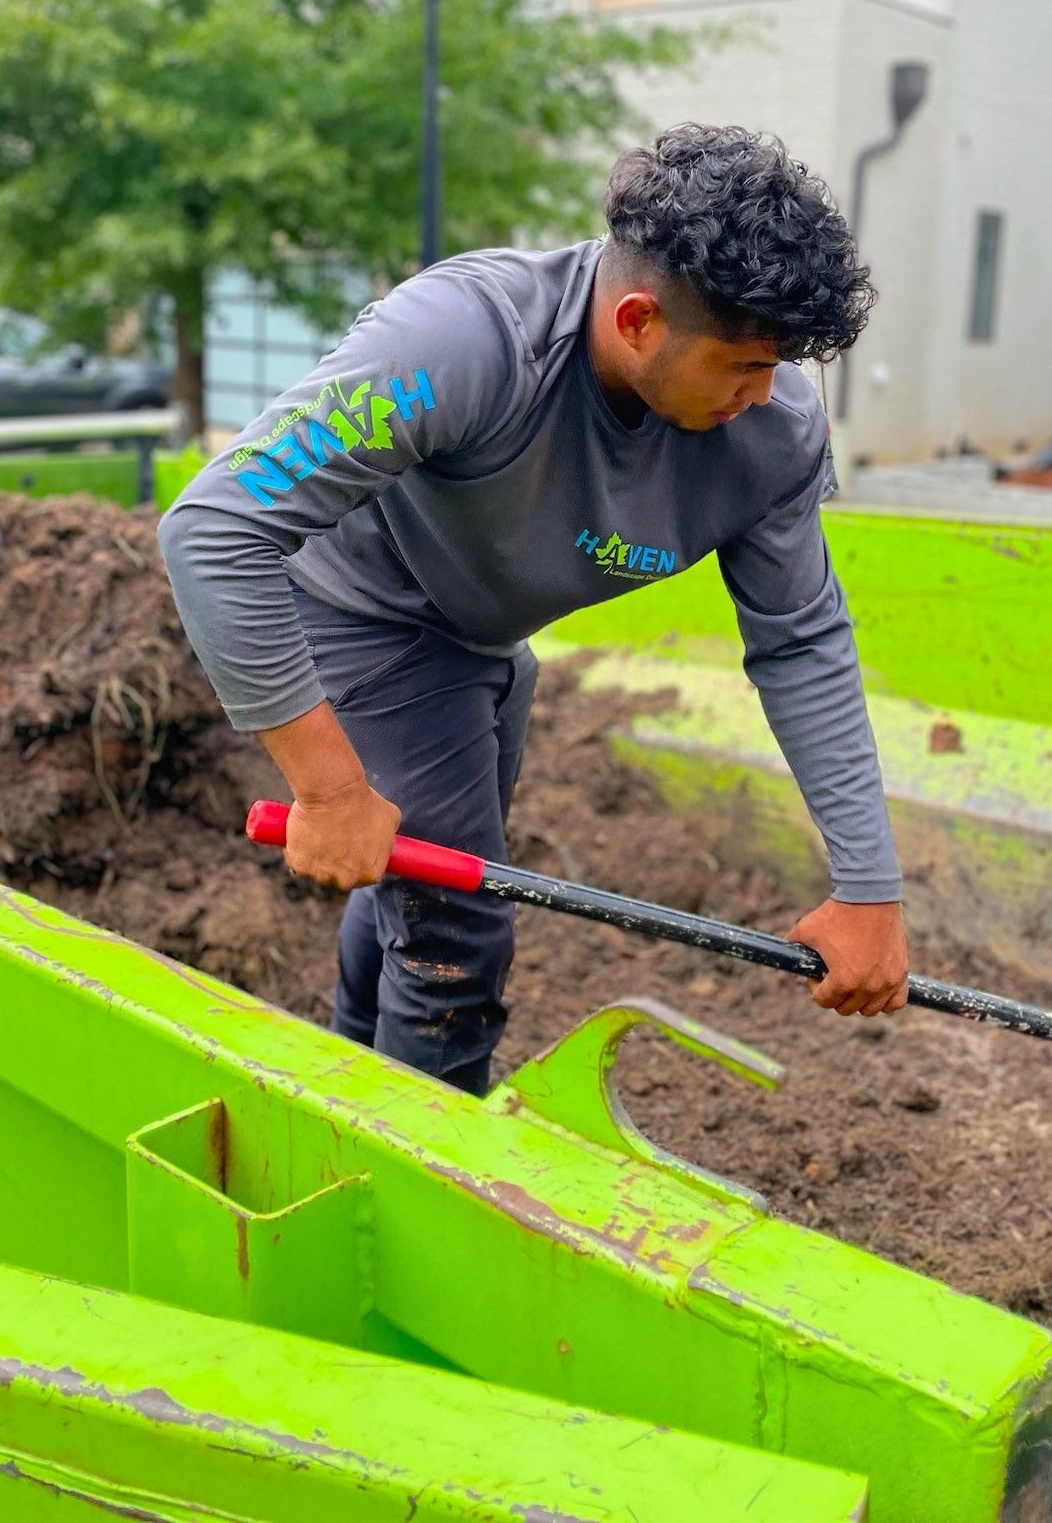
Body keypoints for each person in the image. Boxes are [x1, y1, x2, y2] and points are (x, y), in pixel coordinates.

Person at [159, 123, 908, 1096]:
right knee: (456, 934)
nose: (765, 395)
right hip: (362, 610)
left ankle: (341, 1092)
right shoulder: (460, 343)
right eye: (740, 365)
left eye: (781, 366)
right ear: (638, 321)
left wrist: (868, 885)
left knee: (419, 878)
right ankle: (424, 1184)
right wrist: (330, 786)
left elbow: (802, 638)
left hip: (483, 641)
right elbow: (215, 528)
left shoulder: (770, 437)